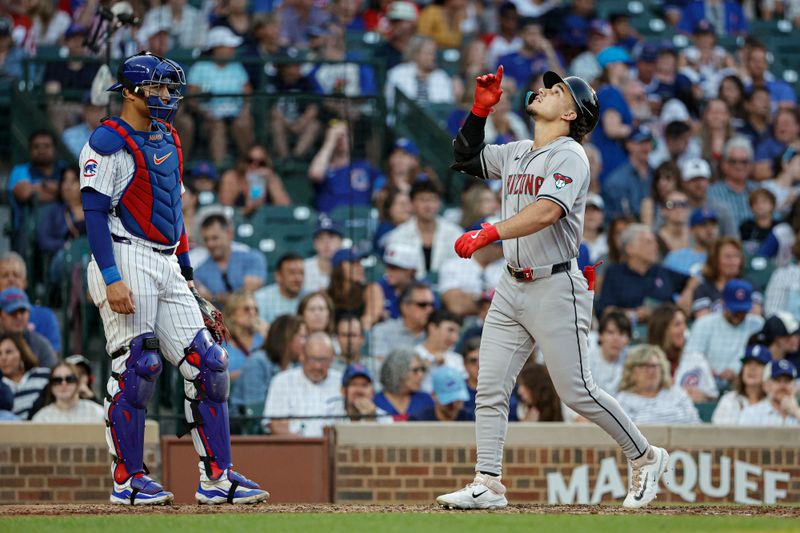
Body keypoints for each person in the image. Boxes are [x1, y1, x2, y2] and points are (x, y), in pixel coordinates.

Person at [436, 68, 669, 511]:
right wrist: (480, 110)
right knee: (489, 386)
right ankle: (487, 481)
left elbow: (546, 212)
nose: (543, 90)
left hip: (556, 282)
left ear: (569, 113)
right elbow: (466, 158)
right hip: (512, 284)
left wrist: (490, 232)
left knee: (576, 389)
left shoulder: (571, 155)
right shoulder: (520, 150)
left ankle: (646, 456)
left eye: (557, 90)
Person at [78, 52, 267, 505]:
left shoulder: (169, 138)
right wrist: (110, 277)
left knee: (210, 363)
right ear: (129, 92)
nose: (165, 96)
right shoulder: (107, 141)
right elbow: (93, 214)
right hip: (124, 256)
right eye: (157, 88)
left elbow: (174, 213)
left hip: (166, 261)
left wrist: (186, 273)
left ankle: (217, 479)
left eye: (169, 87)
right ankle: (127, 480)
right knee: (139, 365)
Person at [186, 26, 253, 166]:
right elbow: (191, 99)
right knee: (218, 126)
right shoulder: (200, 67)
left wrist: (245, 111)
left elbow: (248, 94)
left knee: (243, 123)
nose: (232, 50)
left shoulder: (237, 67)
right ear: (217, 48)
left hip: (234, 114)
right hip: (206, 117)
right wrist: (205, 113)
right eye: (229, 46)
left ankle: (250, 164)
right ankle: (220, 170)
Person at [596, 224, 692, 320]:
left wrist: (688, 292)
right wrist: (635, 315)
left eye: (655, 242)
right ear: (630, 248)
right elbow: (606, 310)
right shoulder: (614, 273)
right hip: (628, 331)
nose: (656, 246)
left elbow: (694, 279)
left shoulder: (662, 272)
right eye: (648, 242)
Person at [684, 279, 765, 386]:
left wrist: (737, 372)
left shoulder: (757, 325)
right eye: (735, 310)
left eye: (743, 311)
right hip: (707, 383)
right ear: (723, 303)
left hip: (743, 385)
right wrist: (707, 371)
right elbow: (691, 358)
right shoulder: (704, 324)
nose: (739, 315)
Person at [262, 332, 342, 436]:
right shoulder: (282, 381)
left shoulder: (342, 381)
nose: (318, 366)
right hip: (294, 447)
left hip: (334, 447)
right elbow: (276, 425)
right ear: (302, 356)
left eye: (323, 360)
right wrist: (305, 447)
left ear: (332, 359)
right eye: (312, 359)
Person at [384, 180, 463, 279]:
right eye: (422, 200)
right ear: (412, 203)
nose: (428, 206)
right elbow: (394, 274)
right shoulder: (398, 236)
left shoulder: (455, 233)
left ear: (439, 203)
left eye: (432, 199)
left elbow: (462, 269)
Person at [308, 122, 386, 214]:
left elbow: (383, 185)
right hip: (330, 223)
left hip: (361, 221)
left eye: (346, 135)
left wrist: (378, 192)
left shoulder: (363, 166)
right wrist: (329, 142)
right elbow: (315, 174)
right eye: (338, 136)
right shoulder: (324, 167)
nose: (342, 139)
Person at [194, 213, 268, 309]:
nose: (210, 244)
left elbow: (246, 294)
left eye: (215, 238)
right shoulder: (199, 271)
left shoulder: (253, 258)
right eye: (206, 239)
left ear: (229, 234)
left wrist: (213, 297)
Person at [615, 344, 701, 424]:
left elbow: (696, 425)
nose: (651, 371)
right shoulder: (623, 400)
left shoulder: (678, 394)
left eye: (655, 366)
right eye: (645, 366)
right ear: (632, 371)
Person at [648, 303, 717, 402]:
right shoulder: (646, 362)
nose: (683, 329)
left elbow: (713, 395)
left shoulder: (696, 358)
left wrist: (702, 396)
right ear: (662, 330)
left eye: (684, 323)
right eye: (677, 325)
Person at [438, 221, 505, 317]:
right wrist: (489, 300)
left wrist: (471, 298)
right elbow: (456, 306)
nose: (502, 249)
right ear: (483, 244)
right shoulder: (453, 265)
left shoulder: (507, 265)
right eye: (498, 245)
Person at [0, 254, 61, 354]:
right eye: (5, 275)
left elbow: (52, 359)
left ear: (25, 282)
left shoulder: (45, 317)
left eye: (16, 275)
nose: (11, 279)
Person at [370, 282, 435, 363]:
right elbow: (382, 367)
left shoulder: (437, 334)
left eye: (432, 305)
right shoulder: (383, 331)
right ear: (405, 307)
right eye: (422, 305)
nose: (429, 310)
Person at [217, 145, 291, 215]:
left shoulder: (271, 178)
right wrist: (247, 210)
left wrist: (272, 182)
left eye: (261, 163)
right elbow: (226, 211)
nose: (254, 166)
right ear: (244, 161)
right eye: (250, 161)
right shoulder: (232, 177)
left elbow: (286, 210)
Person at [602, 126, 654, 219]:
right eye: (641, 143)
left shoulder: (656, 174)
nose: (646, 147)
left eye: (648, 142)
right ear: (628, 145)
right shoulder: (617, 179)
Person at [364, 242, 419, 329]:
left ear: (410, 271)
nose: (388, 272)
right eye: (387, 266)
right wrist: (376, 316)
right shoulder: (379, 287)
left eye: (394, 268)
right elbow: (367, 322)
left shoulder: (423, 291)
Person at [711, 344, 769, 425]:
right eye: (748, 363)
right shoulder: (729, 400)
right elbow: (718, 433)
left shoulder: (774, 402)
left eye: (758, 364)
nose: (752, 368)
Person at [692, 237, 749, 317]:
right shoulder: (703, 289)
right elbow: (703, 320)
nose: (733, 261)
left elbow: (755, 316)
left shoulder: (749, 285)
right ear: (715, 260)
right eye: (728, 257)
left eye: (736, 256)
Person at [0, 288, 57, 368]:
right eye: (12, 312)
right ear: (1, 314)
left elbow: (51, 375)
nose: (19, 316)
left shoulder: (40, 345)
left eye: (22, 311)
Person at [680, 158, 737, 237]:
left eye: (702, 179)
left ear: (709, 181)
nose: (699, 184)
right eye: (693, 180)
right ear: (684, 183)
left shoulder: (722, 210)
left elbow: (732, 241)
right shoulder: (677, 209)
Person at [708, 137, 757, 229]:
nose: (739, 166)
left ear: (751, 165)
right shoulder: (711, 192)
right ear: (724, 164)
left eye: (744, 162)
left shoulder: (758, 191)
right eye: (733, 162)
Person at [31, 362, 104, 423]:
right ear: (51, 386)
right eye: (57, 380)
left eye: (69, 379)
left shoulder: (97, 413)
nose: (63, 384)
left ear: (78, 383)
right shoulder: (41, 418)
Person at [374, 347, 434, 420]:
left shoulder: (425, 400)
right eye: (415, 370)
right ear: (397, 372)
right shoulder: (375, 402)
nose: (421, 375)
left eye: (423, 369)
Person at [0, 333, 50, 420]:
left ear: (22, 354)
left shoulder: (44, 375)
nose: (3, 358)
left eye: (9, 352)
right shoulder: (1, 386)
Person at [738, 359, 799, 426]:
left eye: (787, 381)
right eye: (777, 380)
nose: (783, 385)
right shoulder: (751, 413)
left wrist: (796, 411)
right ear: (766, 385)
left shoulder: (798, 412)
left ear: (795, 386)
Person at [416, 310, 466, 391]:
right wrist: (427, 365)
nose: (455, 338)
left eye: (457, 333)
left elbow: (460, 390)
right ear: (432, 328)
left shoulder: (457, 359)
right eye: (450, 330)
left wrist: (444, 366)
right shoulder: (413, 354)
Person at [328, 363, 393, 423]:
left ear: (372, 392)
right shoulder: (329, 413)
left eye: (364, 385)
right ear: (343, 390)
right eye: (354, 384)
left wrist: (371, 420)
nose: (359, 390)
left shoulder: (385, 417)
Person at [664, 208, 719, 276]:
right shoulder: (676, 257)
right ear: (692, 230)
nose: (710, 230)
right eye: (703, 225)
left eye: (713, 225)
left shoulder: (723, 258)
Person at [588, 311, 631, 395]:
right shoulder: (586, 361)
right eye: (610, 332)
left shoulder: (631, 361)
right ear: (600, 336)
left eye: (622, 334)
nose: (616, 339)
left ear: (628, 339)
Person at [254, 253, 305, 324]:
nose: (298, 278)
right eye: (292, 273)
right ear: (278, 276)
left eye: (301, 273)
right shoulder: (261, 298)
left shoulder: (310, 298)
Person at [410, 366, 474, 421]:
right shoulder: (418, 420)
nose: (454, 405)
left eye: (458, 400)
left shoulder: (470, 419)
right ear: (434, 395)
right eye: (449, 402)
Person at [303, 219, 343, 294]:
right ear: (314, 244)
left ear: (340, 242)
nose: (326, 243)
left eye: (331, 238)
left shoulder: (349, 268)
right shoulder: (303, 268)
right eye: (321, 238)